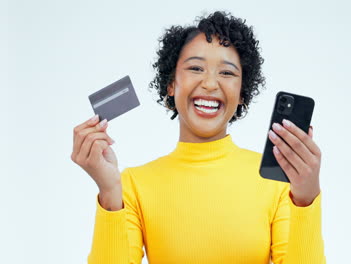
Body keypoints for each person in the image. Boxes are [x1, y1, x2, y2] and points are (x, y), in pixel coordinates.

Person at [71, 10, 326, 264]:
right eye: (195, 68)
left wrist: (305, 198)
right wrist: (109, 191)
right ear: (171, 84)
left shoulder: (276, 183)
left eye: (226, 73)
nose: (210, 83)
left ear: (242, 93)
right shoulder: (133, 185)